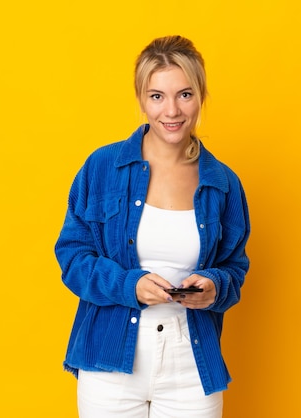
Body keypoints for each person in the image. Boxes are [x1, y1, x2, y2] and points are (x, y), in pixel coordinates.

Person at [54, 35, 251, 418]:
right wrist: (130, 284)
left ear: (201, 96)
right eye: (157, 96)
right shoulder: (102, 167)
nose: (172, 110)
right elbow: (72, 257)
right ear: (141, 100)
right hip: (109, 361)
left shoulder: (223, 183)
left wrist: (214, 287)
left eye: (185, 94)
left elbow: (235, 269)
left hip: (190, 363)